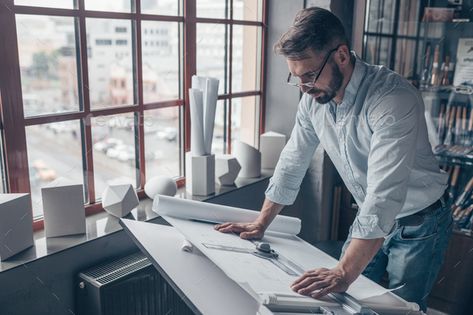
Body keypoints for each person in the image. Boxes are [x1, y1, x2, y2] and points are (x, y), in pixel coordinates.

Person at [215, 7, 452, 312]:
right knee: (346, 302)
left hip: (420, 221)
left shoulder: (392, 99)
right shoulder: (314, 99)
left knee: (399, 308)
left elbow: (384, 193)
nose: (304, 87)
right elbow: (292, 161)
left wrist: (343, 271)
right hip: (372, 214)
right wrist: (261, 223)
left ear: (341, 55)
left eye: (311, 75)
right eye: (296, 77)